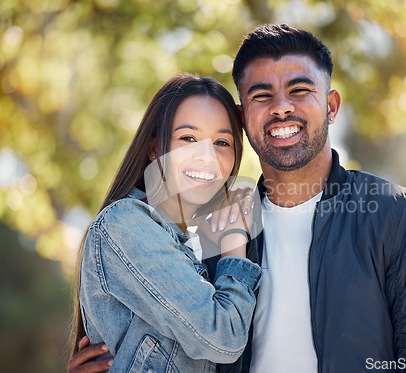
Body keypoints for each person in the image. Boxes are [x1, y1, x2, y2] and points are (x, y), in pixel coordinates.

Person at [70, 24, 406, 373]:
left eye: (300, 90)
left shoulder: (400, 215)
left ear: (331, 106)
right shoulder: (209, 233)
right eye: (261, 96)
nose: (281, 108)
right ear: (243, 115)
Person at [68, 74, 262, 373]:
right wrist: (235, 241)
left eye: (222, 142)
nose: (206, 156)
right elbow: (223, 338)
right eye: (188, 138)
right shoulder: (126, 224)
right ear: (154, 148)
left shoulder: (194, 245)